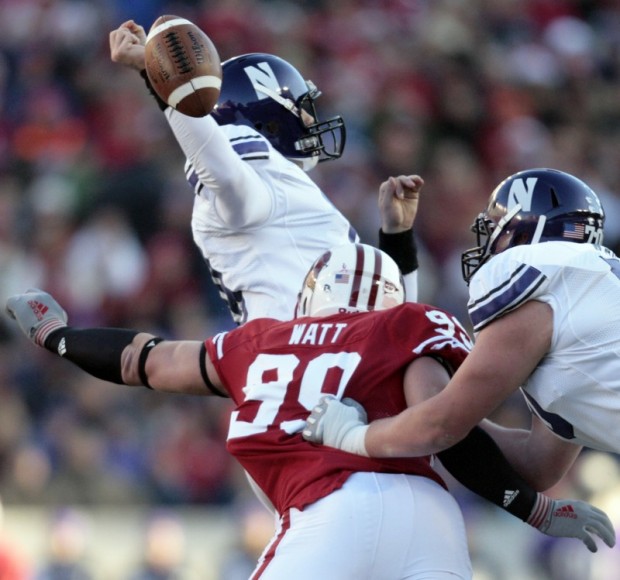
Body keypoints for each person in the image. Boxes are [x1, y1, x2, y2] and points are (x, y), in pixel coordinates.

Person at [6, 244, 615, 578]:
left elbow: (147, 361)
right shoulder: (408, 325)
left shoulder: (257, 341)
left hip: (328, 509)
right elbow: (442, 424)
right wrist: (529, 505)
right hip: (431, 521)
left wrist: (59, 337)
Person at [302, 168, 620, 494]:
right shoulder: (585, 297)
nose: (488, 246)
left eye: (498, 230)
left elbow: (440, 426)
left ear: (527, 231)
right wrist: (435, 404)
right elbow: (535, 463)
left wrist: (352, 435)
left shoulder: (536, 274)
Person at [108, 20, 420, 325]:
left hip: (328, 364)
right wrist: (159, 75)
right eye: (302, 109)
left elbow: (396, 326)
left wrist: (397, 238)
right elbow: (223, 171)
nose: (312, 121)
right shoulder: (251, 178)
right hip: (302, 367)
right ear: (266, 122)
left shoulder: (287, 192)